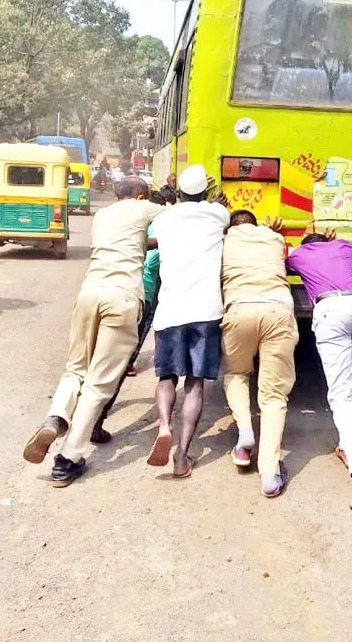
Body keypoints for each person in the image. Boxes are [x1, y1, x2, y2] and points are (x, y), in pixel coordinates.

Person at [23, 177, 164, 487]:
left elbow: (139, 244)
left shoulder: (103, 216)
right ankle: (67, 459)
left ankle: (57, 417)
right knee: (99, 385)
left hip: (89, 293)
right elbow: (179, 217)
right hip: (122, 297)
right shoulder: (142, 208)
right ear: (140, 196)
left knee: (75, 369)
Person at [286, 229, 352, 511]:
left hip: (332, 309)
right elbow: (340, 251)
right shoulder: (346, 246)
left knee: (339, 394)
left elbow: (282, 262)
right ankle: (345, 444)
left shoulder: (299, 255)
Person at [146, 164, 230, 479]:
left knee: (166, 377)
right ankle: (181, 456)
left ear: (178, 194)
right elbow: (219, 209)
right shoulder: (216, 215)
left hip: (170, 310)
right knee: (195, 383)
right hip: (207, 311)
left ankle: (165, 425)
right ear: (206, 194)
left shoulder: (164, 219)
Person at [219, 209, 298, 498]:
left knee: (236, 373)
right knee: (274, 395)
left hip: (240, 308)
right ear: (255, 223)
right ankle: (269, 474)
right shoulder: (274, 238)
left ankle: (244, 434)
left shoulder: (223, 241)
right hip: (278, 309)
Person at [91, 198, 164, 444]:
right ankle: (96, 419)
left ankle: (88, 415)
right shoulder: (157, 230)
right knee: (119, 364)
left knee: (104, 362)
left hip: (111, 293)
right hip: (139, 299)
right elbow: (153, 256)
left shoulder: (124, 229)